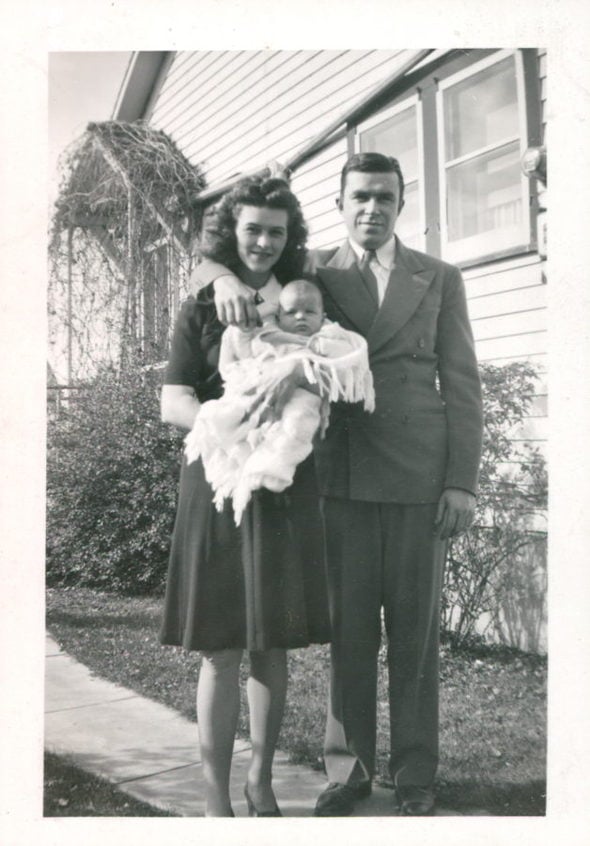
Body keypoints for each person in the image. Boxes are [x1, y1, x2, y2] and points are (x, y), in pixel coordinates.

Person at [196, 152, 484, 817]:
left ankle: (414, 775)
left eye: (385, 197)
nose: (372, 209)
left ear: (402, 203)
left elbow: (462, 383)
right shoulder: (312, 274)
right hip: (342, 477)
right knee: (350, 632)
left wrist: (461, 482)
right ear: (339, 204)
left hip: (418, 477)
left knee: (413, 636)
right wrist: (214, 278)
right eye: (360, 197)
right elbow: (232, 260)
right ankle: (348, 769)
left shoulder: (438, 277)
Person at [159, 177, 332, 818]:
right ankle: (215, 799)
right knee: (222, 646)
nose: (263, 242)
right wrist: (231, 418)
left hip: (283, 488)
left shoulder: (307, 301)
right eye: (252, 229)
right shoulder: (200, 307)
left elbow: (334, 366)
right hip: (217, 482)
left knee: (272, 643)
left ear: (291, 241)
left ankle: (261, 782)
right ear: (232, 232)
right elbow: (171, 401)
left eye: (276, 232)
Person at [184, 278, 375, 525]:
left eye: (309, 312)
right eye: (291, 312)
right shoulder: (270, 335)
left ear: (322, 316)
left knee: (297, 424)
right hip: (261, 395)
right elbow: (240, 350)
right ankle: (231, 449)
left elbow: (345, 360)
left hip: (304, 397)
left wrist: (302, 368)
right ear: (279, 315)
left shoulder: (328, 336)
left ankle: (275, 467)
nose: (300, 318)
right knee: (231, 414)